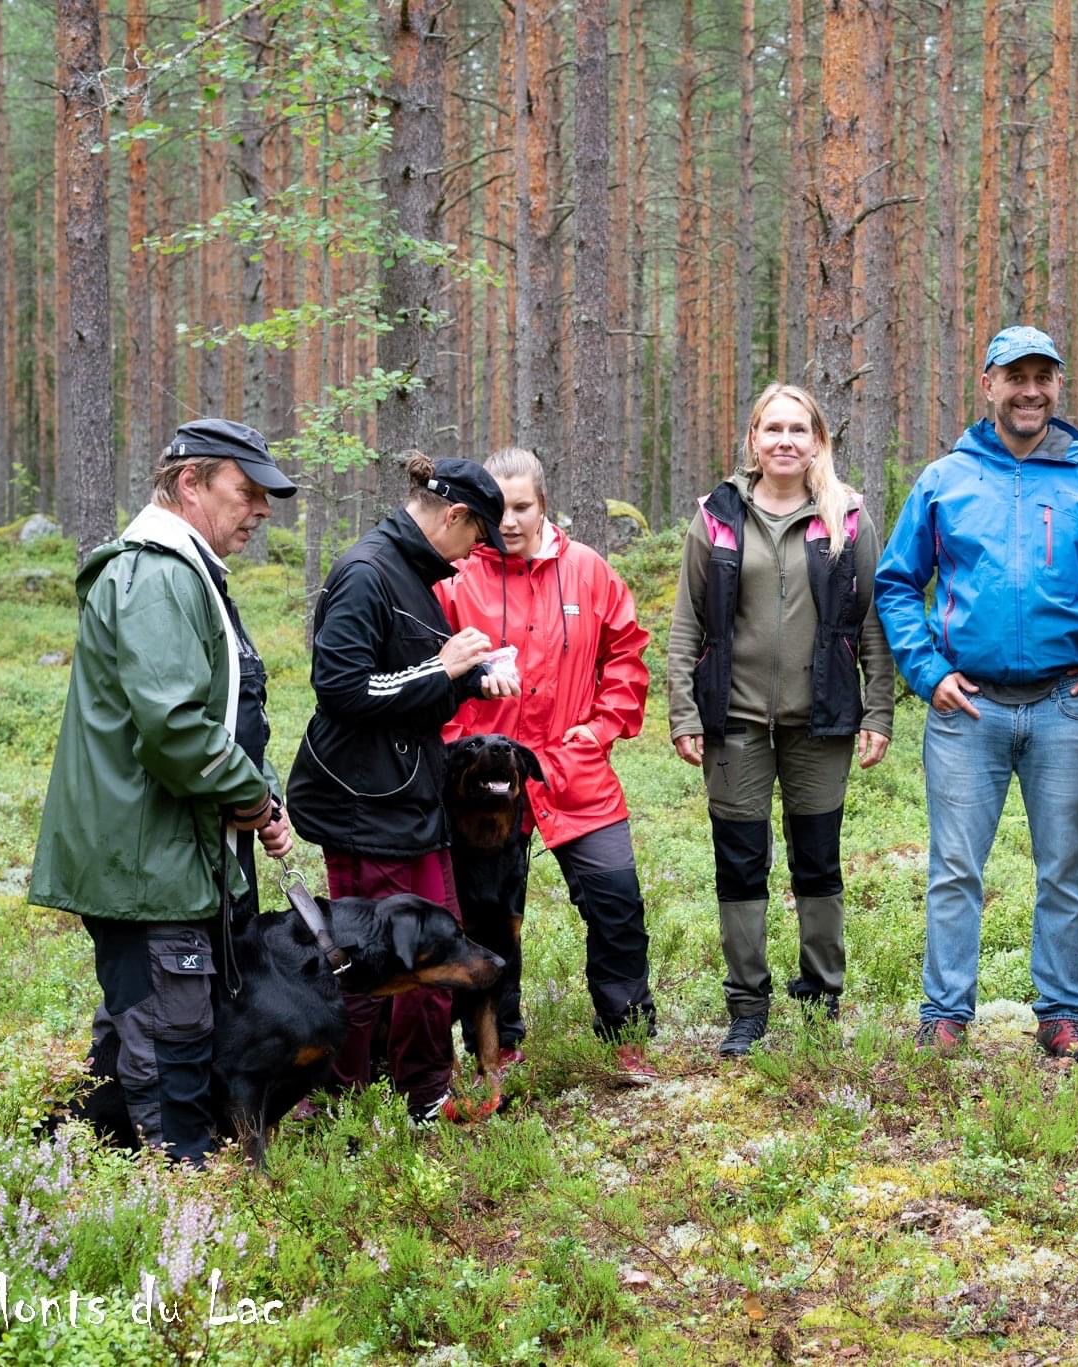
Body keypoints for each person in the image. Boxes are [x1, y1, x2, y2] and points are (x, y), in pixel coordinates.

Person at [30, 418, 299, 1165]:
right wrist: (250, 800)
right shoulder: (157, 578)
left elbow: (228, 715)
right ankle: (177, 1184)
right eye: (246, 491)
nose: (261, 509)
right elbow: (177, 728)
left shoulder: (190, 572)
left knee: (141, 1028)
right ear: (190, 483)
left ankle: (74, 1163)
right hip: (147, 860)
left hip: (173, 852)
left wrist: (263, 799)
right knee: (170, 1038)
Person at [875, 324, 1078, 1062]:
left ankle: (1063, 1014)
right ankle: (945, 1014)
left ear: (1058, 385)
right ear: (987, 383)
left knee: (1064, 868)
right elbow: (897, 583)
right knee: (955, 869)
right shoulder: (945, 480)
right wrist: (927, 672)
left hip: (1066, 705)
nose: (1029, 390)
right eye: (1014, 376)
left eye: (1042, 376)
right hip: (969, 707)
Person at [285, 452, 515, 1124]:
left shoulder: (412, 574)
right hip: (366, 805)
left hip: (410, 799)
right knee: (369, 964)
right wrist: (443, 668)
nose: (474, 553)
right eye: (477, 536)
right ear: (455, 515)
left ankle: (424, 1091)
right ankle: (339, 1103)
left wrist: (469, 680)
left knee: (436, 952)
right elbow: (340, 687)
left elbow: (405, 685)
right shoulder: (366, 572)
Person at [667, 383, 896, 1057]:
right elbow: (686, 621)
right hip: (732, 717)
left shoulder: (846, 517)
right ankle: (747, 1005)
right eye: (773, 429)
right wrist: (683, 709)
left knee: (817, 860)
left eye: (799, 429)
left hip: (821, 719)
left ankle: (822, 996)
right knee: (740, 863)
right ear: (754, 440)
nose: (786, 440)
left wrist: (878, 707)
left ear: (818, 441)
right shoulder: (717, 516)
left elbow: (872, 620)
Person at [436, 449, 659, 1081]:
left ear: (543, 504)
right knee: (487, 919)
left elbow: (626, 655)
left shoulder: (588, 571)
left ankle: (626, 1033)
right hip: (483, 781)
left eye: (522, 507)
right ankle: (499, 1043)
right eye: (497, 508)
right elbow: (430, 671)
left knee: (617, 902)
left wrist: (602, 727)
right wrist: (458, 745)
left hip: (573, 768)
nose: (508, 521)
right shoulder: (454, 578)